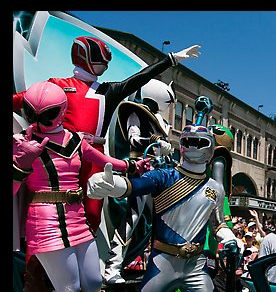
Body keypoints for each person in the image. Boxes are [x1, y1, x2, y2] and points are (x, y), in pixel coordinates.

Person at [13, 35, 201, 232]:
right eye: (101, 59)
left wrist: (170, 60)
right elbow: (22, 99)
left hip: (93, 154)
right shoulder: (58, 85)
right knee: (47, 208)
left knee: (92, 214)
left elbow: (139, 79)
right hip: (59, 153)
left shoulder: (107, 91)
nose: (105, 64)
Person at [13, 81, 148, 292]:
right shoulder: (21, 143)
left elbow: (104, 160)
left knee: (94, 284)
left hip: (76, 216)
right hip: (45, 220)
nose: (37, 122)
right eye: (31, 114)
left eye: (47, 115)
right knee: (69, 289)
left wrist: (131, 166)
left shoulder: (75, 140)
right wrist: (21, 165)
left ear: (61, 111)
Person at [87, 125, 237, 292]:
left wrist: (230, 238)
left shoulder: (215, 187)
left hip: (196, 265)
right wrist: (112, 184)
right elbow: (138, 185)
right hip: (164, 261)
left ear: (210, 146)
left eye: (200, 142)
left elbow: (218, 224)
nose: (194, 147)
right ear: (181, 145)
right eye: (189, 141)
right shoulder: (165, 176)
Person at [102, 79, 176, 285]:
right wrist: (154, 143)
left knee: (157, 222)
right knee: (131, 219)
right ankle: (112, 267)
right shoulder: (137, 113)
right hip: (140, 172)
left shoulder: (157, 119)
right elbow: (133, 140)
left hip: (158, 175)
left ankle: (156, 266)